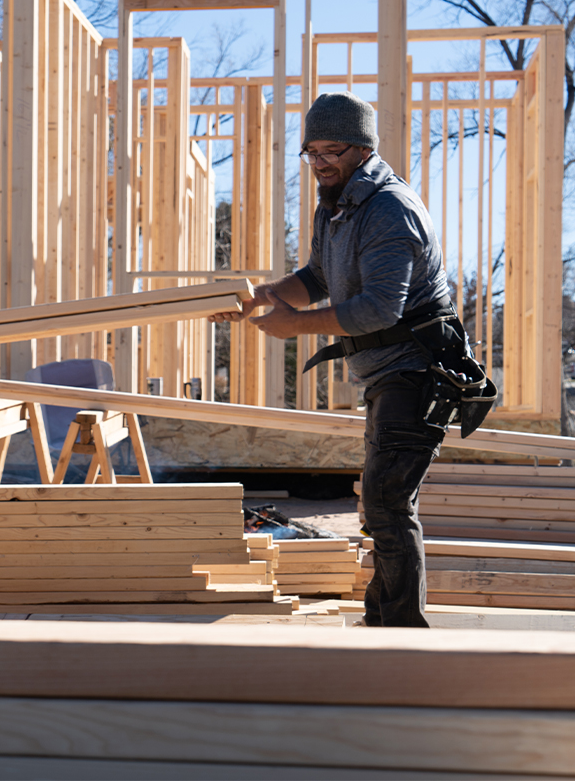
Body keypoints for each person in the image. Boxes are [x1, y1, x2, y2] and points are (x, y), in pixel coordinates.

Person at [211, 91, 492, 628]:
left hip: (418, 373)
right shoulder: (335, 204)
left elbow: (380, 309)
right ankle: (381, 625)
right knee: (381, 505)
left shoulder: (389, 209)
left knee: (387, 504)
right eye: (310, 151)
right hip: (387, 377)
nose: (318, 162)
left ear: (362, 149)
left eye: (331, 150)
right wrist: (259, 300)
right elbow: (317, 278)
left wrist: (295, 327)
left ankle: (403, 636)